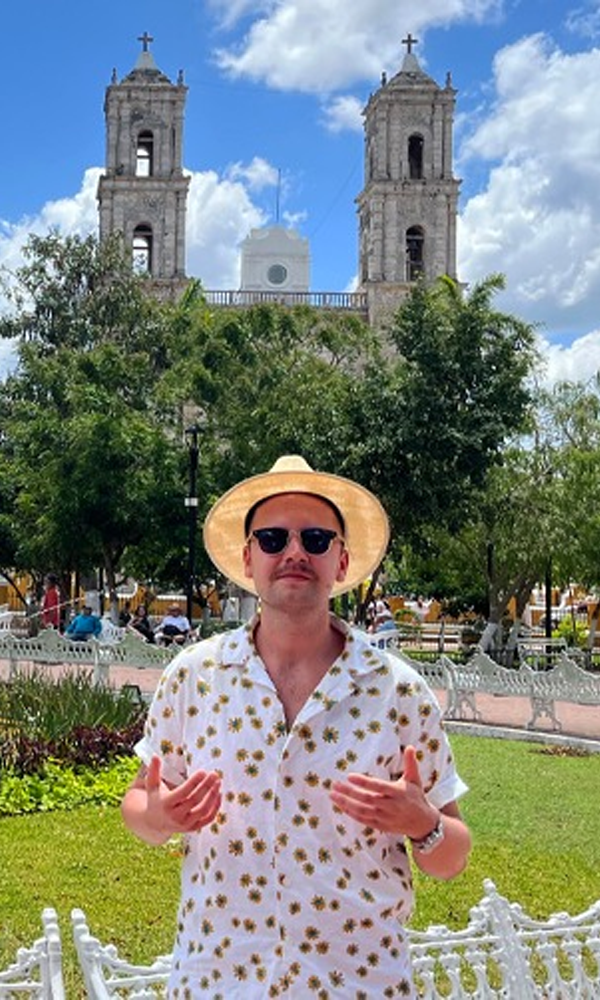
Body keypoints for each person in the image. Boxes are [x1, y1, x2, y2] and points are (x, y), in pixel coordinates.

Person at [121, 455, 471, 997]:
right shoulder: (195, 677)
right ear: (248, 558)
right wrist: (160, 815)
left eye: (315, 539)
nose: (294, 553)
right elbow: (139, 805)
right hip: (220, 977)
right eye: (272, 538)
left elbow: (452, 857)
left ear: (342, 560)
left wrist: (423, 824)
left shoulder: (397, 692)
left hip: (358, 981)